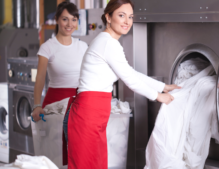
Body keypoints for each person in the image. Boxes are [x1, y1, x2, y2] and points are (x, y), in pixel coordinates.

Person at [62, 0, 181, 168]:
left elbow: (130, 72)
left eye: (130, 17)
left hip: (92, 115)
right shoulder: (108, 43)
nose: (127, 21)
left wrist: (162, 86)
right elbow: (130, 80)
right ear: (108, 17)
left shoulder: (109, 42)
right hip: (87, 116)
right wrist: (159, 96)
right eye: (121, 15)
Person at [31, 1, 88, 165]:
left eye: (73, 19)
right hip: (55, 103)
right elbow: (40, 78)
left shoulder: (83, 46)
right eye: (65, 19)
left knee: (78, 151)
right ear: (57, 20)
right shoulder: (48, 47)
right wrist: (36, 105)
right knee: (55, 153)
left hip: (78, 103)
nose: (69, 24)